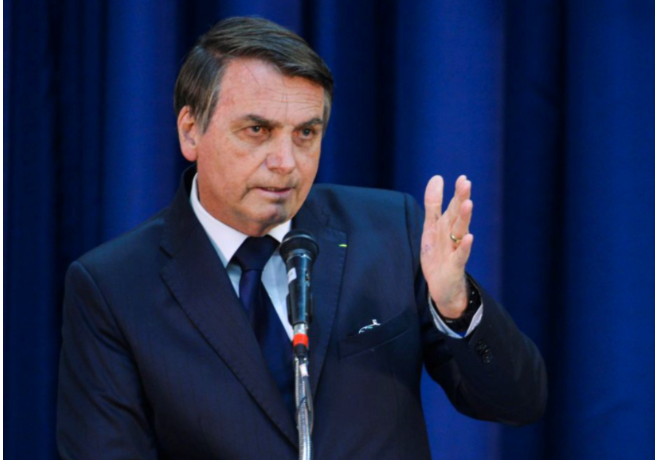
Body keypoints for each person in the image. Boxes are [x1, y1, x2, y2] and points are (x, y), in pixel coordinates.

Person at [57, 16, 546, 459]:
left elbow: (518, 402)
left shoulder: (390, 231)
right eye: (257, 130)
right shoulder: (114, 287)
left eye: (306, 134)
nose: (286, 162)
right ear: (191, 131)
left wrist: (456, 307)